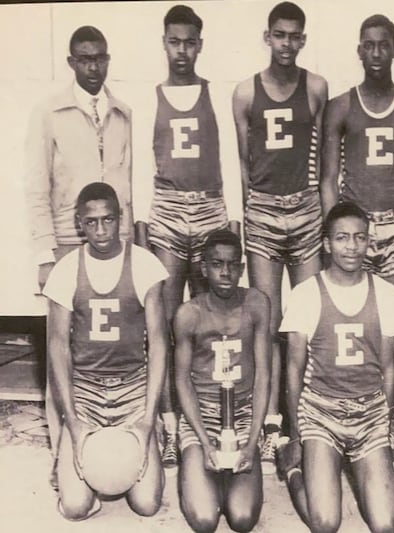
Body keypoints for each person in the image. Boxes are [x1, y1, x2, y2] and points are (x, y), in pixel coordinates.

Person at [24, 25, 132, 487]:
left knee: (114, 344)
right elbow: (35, 186)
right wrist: (46, 253)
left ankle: (117, 441)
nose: (94, 67)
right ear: (71, 62)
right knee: (63, 352)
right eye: (84, 59)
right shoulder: (49, 111)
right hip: (70, 245)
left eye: (100, 58)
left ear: (108, 59)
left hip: (116, 243)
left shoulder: (123, 112)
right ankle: (62, 452)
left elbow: (131, 182)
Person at [232, 1, 328, 472]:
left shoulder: (316, 87)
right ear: (266, 37)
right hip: (265, 212)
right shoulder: (245, 93)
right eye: (279, 35)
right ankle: (270, 425)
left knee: (307, 318)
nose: (287, 43)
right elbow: (241, 166)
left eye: (295, 36)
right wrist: (245, 215)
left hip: (306, 209)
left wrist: (323, 218)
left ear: (303, 40)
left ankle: (305, 421)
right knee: (267, 322)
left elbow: (325, 157)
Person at [133, 4, 231, 468]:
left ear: (200, 44)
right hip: (168, 214)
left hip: (211, 210)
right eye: (174, 41)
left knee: (212, 325)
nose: (182, 50)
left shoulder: (218, 94)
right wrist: (142, 233)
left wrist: (232, 229)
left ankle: (213, 419)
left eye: (190, 42)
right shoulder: (149, 97)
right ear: (164, 43)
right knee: (169, 329)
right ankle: (171, 429)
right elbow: (140, 170)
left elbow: (229, 163)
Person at [43, 182, 168, 520]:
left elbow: (158, 343)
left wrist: (145, 418)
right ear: (79, 223)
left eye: (108, 220)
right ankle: (73, 458)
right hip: (86, 389)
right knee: (74, 507)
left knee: (146, 504)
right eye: (92, 221)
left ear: (121, 218)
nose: (101, 230)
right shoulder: (66, 269)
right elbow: (57, 347)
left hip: (132, 387)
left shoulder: (145, 264)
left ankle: (146, 444)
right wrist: (73, 420)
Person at [280, 201, 394, 533]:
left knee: (385, 524)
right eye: (342, 238)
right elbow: (293, 369)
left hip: (369, 414)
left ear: (369, 242)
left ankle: (363, 472)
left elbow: (389, 369)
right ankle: (293, 472)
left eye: (360, 238)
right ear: (326, 243)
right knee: (326, 523)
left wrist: (385, 426)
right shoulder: (306, 293)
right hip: (321, 412)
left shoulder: (387, 293)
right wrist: (294, 434)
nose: (352, 247)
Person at [321, 14, 394, 296]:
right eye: (369, 46)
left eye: (383, 45)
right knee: (355, 310)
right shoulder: (340, 106)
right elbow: (328, 179)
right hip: (356, 222)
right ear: (360, 51)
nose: (377, 53)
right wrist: (334, 232)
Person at [174, 229, 270, 532]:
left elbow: (264, 375)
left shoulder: (257, 304)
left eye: (232, 265)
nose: (225, 272)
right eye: (217, 264)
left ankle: (232, 479)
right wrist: (204, 443)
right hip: (201, 415)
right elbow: (182, 381)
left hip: (241, 414)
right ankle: (202, 473)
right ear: (204, 268)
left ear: (242, 268)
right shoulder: (189, 313)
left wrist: (252, 441)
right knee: (205, 521)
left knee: (241, 519)